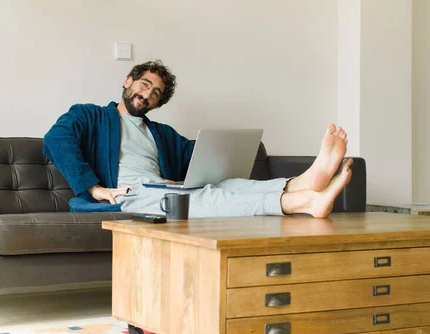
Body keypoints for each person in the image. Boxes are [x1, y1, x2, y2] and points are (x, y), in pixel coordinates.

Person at [43, 60, 352, 218]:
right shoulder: (90, 116)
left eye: (156, 93)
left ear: (158, 103)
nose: (147, 93)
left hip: (160, 188)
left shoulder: (160, 133)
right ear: (128, 81)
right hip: (129, 196)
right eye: (144, 84)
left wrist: (220, 157)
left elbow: (196, 157)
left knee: (225, 186)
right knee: (201, 199)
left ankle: (305, 181)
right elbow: (55, 139)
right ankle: (302, 202)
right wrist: (95, 189)